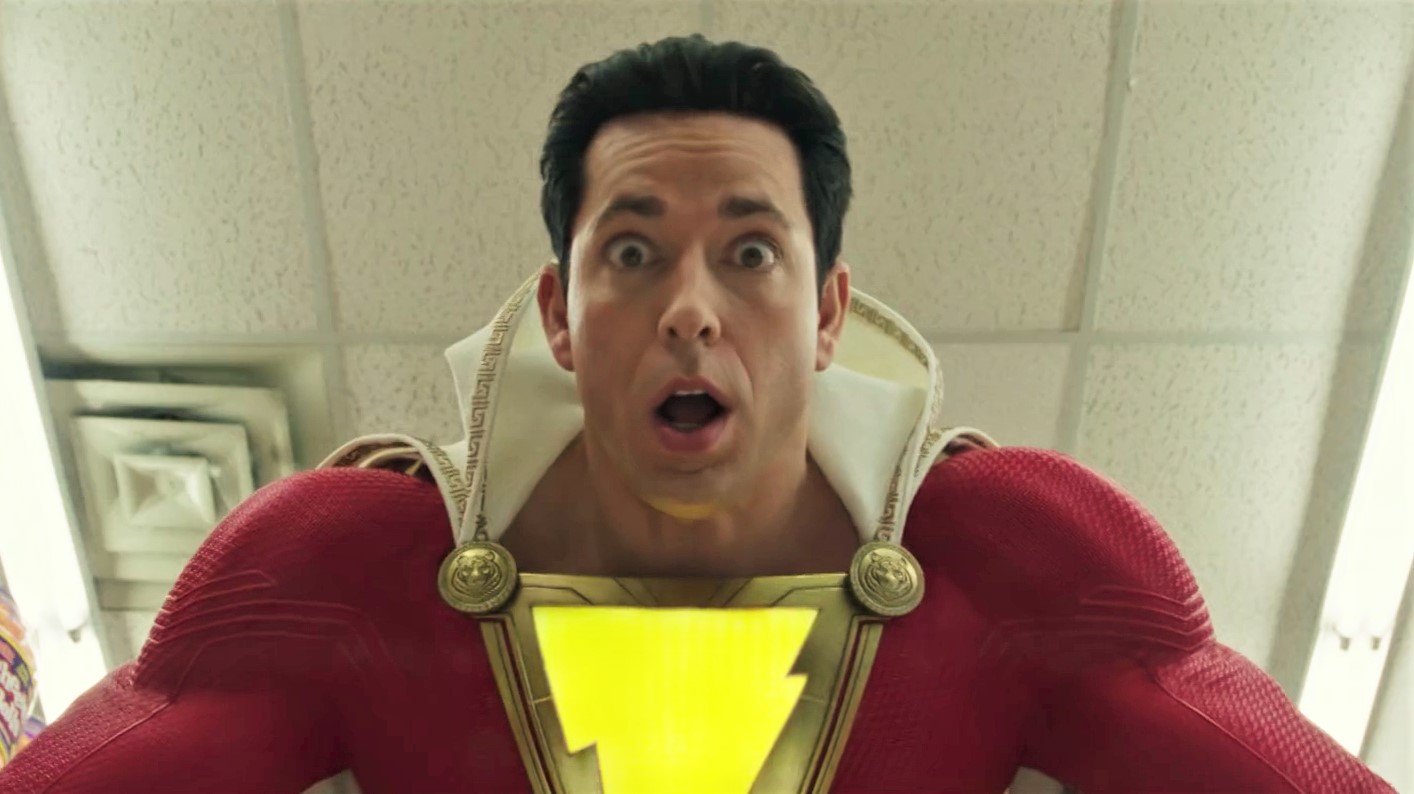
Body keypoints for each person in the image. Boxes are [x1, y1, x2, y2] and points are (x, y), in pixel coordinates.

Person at [0, 34, 1393, 794]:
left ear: (829, 313)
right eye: (631, 250)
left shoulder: (1022, 555)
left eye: (748, 251)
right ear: (558, 314)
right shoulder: (343, 566)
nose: (690, 308)